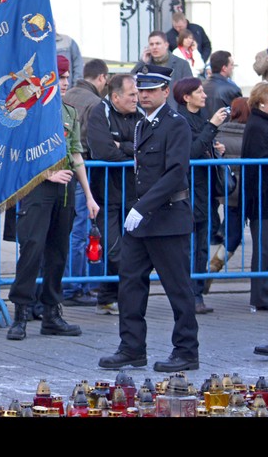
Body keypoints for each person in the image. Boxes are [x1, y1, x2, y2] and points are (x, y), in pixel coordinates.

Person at [98, 65, 200, 373]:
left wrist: (142, 208)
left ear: (165, 92)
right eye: (140, 90)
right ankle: (131, 347)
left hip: (168, 218)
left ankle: (186, 350)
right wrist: (138, 210)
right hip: (142, 221)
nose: (144, 95)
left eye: (151, 90)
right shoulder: (142, 125)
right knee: (129, 285)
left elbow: (175, 173)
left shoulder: (176, 125)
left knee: (178, 288)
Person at [5, 56, 100, 341]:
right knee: (32, 250)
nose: (65, 82)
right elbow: (18, 152)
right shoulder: (29, 112)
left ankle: (52, 313)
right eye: (60, 77)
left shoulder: (68, 111)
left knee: (58, 253)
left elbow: (75, 153)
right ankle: (20, 313)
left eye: (67, 77)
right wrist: (47, 174)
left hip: (66, 190)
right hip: (37, 188)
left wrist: (90, 196)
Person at [86, 74, 144, 316]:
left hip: (133, 193)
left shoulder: (140, 114)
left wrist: (126, 147)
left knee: (133, 247)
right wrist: (132, 152)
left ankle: (109, 298)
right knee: (114, 248)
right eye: (132, 94)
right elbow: (103, 151)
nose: (137, 98)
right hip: (106, 193)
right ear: (116, 96)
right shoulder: (100, 112)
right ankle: (118, 297)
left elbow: (149, 149)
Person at [172, 77, 228, 314]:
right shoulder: (181, 120)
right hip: (189, 192)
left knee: (202, 246)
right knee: (191, 245)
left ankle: (197, 294)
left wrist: (215, 149)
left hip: (204, 192)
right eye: (199, 92)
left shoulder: (200, 118)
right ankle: (190, 295)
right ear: (187, 97)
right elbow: (191, 152)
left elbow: (202, 146)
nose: (204, 95)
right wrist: (212, 127)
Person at [62, 59, 108, 306]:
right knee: (79, 230)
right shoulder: (95, 102)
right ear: (101, 78)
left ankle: (69, 285)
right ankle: (73, 287)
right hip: (81, 169)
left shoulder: (67, 95)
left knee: (71, 229)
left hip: (65, 171)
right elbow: (91, 142)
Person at [241, 81, 268, 312]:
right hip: (264, 199)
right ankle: (262, 296)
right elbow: (256, 166)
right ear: (262, 102)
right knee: (265, 247)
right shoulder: (257, 126)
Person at [209, 97, 249, 277]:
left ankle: (213, 267)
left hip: (230, 192)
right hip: (249, 190)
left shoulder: (219, 132)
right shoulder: (250, 133)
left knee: (232, 235)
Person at [131, 30, 192, 109]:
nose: (154, 47)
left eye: (158, 43)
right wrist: (142, 62)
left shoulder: (182, 64)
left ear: (166, 45)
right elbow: (130, 81)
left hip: (174, 111)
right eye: (151, 44)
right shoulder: (145, 65)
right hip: (150, 111)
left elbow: (190, 89)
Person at [203, 50, 241, 115]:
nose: (233, 68)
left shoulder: (201, 87)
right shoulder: (232, 89)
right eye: (231, 65)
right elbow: (240, 113)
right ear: (224, 68)